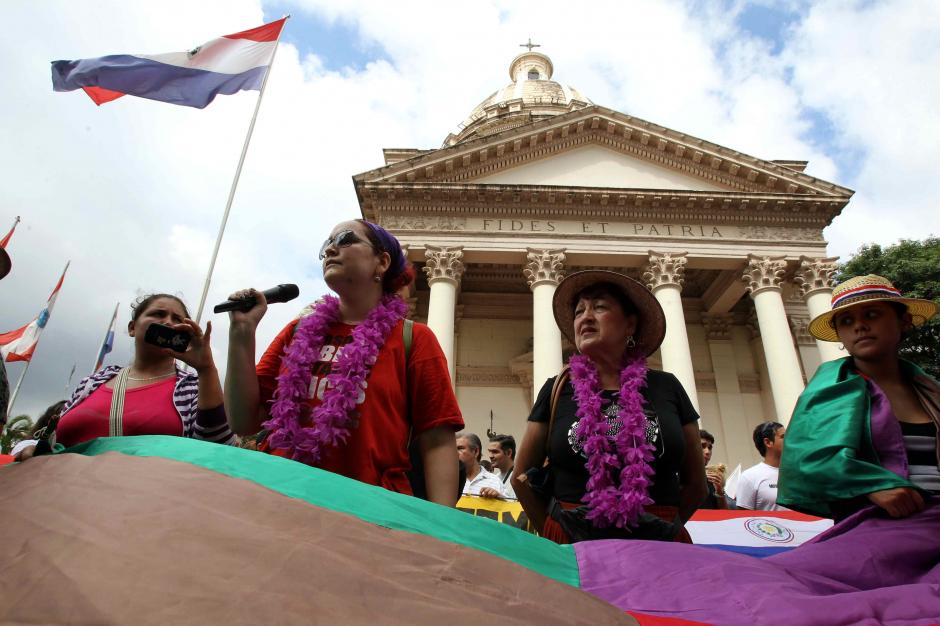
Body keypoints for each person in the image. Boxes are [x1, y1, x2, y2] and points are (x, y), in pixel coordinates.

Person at [225, 219, 464, 506]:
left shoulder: (414, 339)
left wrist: (442, 529)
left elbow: (437, 441)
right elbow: (242, 421)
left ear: (382, 262)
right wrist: (242, 333)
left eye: (345, 239)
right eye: (326, 245)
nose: (330, 250)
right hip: (281, 498)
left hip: (369, 511)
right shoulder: (297, 330)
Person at [512, 270, 706, 544]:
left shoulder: (667, 387)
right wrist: (552, 530)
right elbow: (521, 478)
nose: (585, 317)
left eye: (600, 307)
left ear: (630, 325)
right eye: (579, 311)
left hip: (658, 545)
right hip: (573, 542)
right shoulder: (557, 388)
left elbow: (696, 484)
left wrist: (665, 527)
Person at [779, 274, 940, 520]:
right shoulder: (829, 392)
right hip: (879, 523)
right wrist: (872, 486)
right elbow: (806, 463)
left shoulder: (930, 391)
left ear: (904, 321)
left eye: (872, 314)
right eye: (846, 321)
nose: (859, 326)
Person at [15, 294, 233, 461]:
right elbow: (55, 441)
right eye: (158, 314)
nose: (168, 321)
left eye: (177, 319)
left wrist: (206, 369)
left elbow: (219, 451)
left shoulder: (193, 387)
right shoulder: (93, 382)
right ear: (132, 328)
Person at [736, 422, 788, 511]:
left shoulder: (797, 473)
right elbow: (744, 520)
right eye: (783, 437)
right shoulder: (749, 477)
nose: (789, 440)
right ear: (768, 442)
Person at [481, 434, 516, 499]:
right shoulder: (495, 478)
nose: (490, 456)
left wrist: (500, 496)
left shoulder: (519, 478)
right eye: (489, 451)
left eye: (495, 452)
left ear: (508, 453)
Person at [699, 429, 727, 509]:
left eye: (710, 447)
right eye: (702, 446)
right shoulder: (679, 475)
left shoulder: (712, 478)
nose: (707, 452)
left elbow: (725, 515)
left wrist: (720, 492)